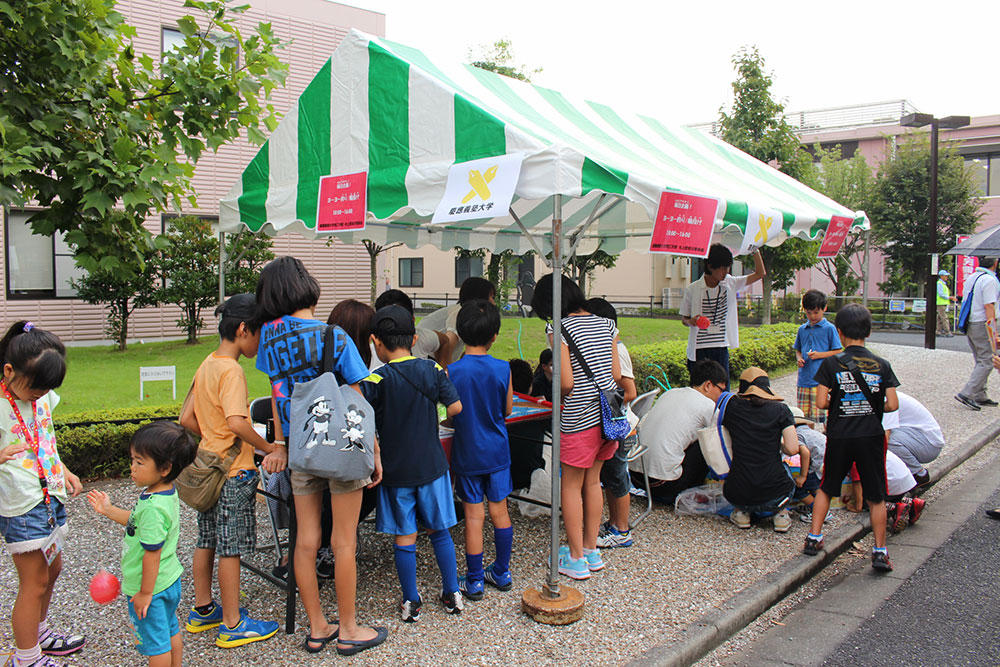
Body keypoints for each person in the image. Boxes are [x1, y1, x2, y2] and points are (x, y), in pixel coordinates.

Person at [254, 256, 386, 656]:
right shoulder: (335, 337)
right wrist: (375, 449)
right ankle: (349, 628)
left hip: (299, 449)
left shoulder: (268, 339)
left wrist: (282, 443)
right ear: (307, 286)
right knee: (343, 540)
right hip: (342, 445)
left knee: (305, 540)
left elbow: (279, 395)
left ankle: (317, 626)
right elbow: (358, 397)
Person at [179, 294, 285, 647]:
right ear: (243, 330)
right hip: (233, 472)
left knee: (206, 538)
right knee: (231, 547)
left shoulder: (207, 363)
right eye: (259, 334)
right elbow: (238, 422)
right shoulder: (232, 370)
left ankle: (203, 610)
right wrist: (269, 447)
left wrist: (212, 437)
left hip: (207, 466)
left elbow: (186, 418)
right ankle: (233, 623)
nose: (261, 342)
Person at [361, 305, 464, 622]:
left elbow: (363, 418)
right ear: (415, 338)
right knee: (440, 531)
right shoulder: (432, 371)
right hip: (432, 467)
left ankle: (411, 601)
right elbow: (456, 407)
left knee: (404, 536)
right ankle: (452, 593)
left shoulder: (376, 379)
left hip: (396, 471)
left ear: (376, 342)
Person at [0, 322, 85, 667]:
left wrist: (63, 470)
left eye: (47, 388)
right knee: (33, 582)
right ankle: (27, 657)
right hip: (21, 504)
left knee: (52, 570)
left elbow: (45, 438)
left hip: (49, 494)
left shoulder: (41, 396)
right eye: (35, 387)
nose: (40, 394)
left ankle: (40, 634)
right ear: (9, 371)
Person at [530, 274, 622, 580]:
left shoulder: (558, 328)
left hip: (578, 419)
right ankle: (591, 550)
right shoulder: (607, 325)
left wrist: (555, 389)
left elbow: (567, 382)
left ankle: (575, 557)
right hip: (607, 418)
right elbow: (616, 375)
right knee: (593, 482)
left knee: (570, 485)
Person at [86, 422, 197, 667]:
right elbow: (137, 522)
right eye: (132, 460)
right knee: (169, 631)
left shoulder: (154, 508)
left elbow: (151, 554)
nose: (132, 468)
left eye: (139, 462)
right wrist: (109, 510)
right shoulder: (162, 493)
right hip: (168, 581)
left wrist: (144, 593)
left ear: (165, 468)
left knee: (155, 646)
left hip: (152, 588)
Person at [804, 303, 900, 572]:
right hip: (870, 436)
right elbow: (892, 405)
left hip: (840, 435)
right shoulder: (882, 365)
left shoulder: (832, 363)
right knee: (876, 495)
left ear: (840, 332)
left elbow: (821, 402)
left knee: (827, 486)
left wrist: (840, 399)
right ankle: (880, 551)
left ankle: (814, 537)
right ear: (868, 332)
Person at [447, 300, 515, 600]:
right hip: (498, 452)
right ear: (495, 336)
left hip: (467, 452)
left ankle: (474, 580)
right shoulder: (503, 369)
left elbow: (449, 414)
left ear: (460, 332)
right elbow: (508, 409)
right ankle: (501, 571)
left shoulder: (452, 371)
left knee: (474, 517)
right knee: (500, 512)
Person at [626, 359, 726, 504]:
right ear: (708, 385)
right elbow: (720, 439)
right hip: (664, 484)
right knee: (708, 440)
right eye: (721, 390)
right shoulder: (708, 406)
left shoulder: (671, 393)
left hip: (636, 477)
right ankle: (693, 490)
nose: (721, 395)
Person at [584, 298, 639, 549]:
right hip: (607, 426)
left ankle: (622, 529)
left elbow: (629, 391)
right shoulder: (603, 348)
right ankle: (613, 522)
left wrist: (602, 401)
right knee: (607, 476)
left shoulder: (617, 350)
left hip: (618, 426)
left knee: (617, 477)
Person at [722, 368, 799, 533]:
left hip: (738, 492)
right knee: (785, 467)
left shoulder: (732, 408)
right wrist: (778, 445)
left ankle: (742, 513)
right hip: (775, 494)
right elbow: (793, 449)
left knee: (742, 469)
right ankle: (781, 515)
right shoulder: (781, 410)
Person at [679, 244, 765, 388]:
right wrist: (692, 321)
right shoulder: (693, 289)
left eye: (728, 267)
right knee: (699, 389)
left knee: (722, 389)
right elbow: (684, 319)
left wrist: (755, 251)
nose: (726, 272)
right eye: (723, 268)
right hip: (700, 348)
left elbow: (760, 274)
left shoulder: (730, 283)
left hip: (720, 346)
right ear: (710, 266)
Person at [410, 277, 496, 367]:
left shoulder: (469, 315)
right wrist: (449, 376)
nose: (494, 303)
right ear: (480, 298)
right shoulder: (458, 314)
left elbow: (468, 355)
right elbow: (446, 347)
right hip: (425, 357)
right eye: (492, 297)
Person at [955, 256, 1000, 410]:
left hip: (970, 322)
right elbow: (989, 305)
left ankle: (980, 394)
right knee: (988, 360)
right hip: (983, 323)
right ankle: (967, 393)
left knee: (980, 359)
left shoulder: (972, 277)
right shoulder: (990, 280)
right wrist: (993, 329)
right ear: (995, 263)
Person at [793, 289, 842, 426]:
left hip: (821, 381)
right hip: (803, 380)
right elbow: (797, 349)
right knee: (804, 418)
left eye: (816, 312)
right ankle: (809, 441)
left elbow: (838, 351)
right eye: (809, 312)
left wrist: (820, 355)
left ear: (824, 308)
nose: (812, 316)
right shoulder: (802, 329)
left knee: (823, 416)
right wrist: (799, 358)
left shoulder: (829, 328)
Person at [882, 391, 943, 486]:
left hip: (928, 443)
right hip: (914, 437)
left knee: (886, 441)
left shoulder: (885, 399)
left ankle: (919, 475)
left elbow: (886, 435)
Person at [788, 407, 825, 523]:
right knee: (816, 488)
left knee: (799, 489)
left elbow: (805, 452)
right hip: (826, 464)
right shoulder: (811, 432)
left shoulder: (797, 435)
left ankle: (818, 511)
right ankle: (823, 508)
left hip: (816, 467)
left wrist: (802, 476)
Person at [936, 269, 955, 337]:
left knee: (940, 318)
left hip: (941, 303)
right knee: (944, 318)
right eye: (945, 276)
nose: (947, 277)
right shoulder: (939, 284)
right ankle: (947, 332)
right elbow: (941, 294)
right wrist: (950, 297)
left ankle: (938, 331)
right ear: (941, 276)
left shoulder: (942, 284)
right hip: (941, 303)